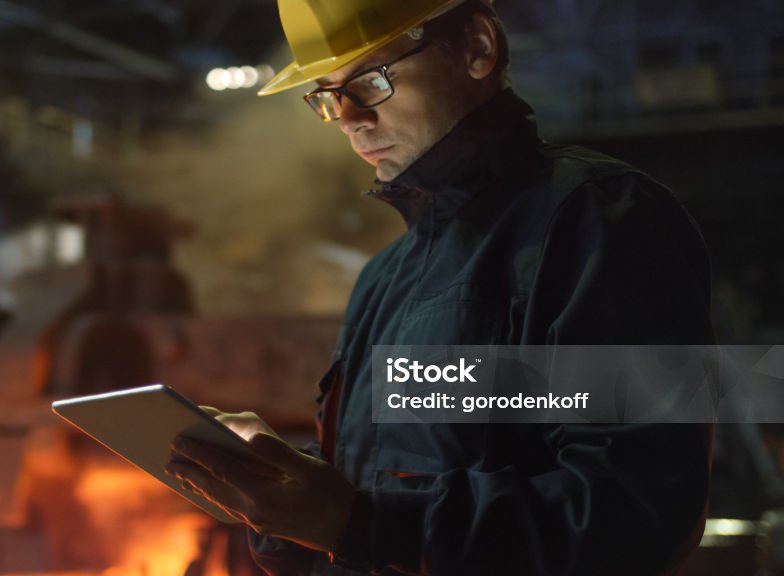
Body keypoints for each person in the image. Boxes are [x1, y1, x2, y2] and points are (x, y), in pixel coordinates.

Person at [165, 0, 717, 574]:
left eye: (371, 80)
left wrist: (355, 522)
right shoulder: (385, 277)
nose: (350, 118)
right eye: (328, 95)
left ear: (479, 47)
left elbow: (632, 517)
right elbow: (369, 502)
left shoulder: (595, 220)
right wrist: (277, 492)